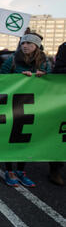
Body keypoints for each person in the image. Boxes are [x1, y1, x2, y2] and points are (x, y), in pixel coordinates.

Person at [0, 33, 51, 187]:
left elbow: (52, 82)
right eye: (23, 43)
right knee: (11, 138)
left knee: (26, 139)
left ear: (37, 46)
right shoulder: (12, 60)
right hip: (13, 106)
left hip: (34, 106)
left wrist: (44, 76)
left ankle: (21, 171)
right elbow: (1, 80)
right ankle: (9, 170)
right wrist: (19, 79)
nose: (25, 46)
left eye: (29, 43)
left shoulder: (44, 62)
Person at [48, 42, 65, 186]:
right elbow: (58, 70)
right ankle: (55, 169)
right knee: (61, 134)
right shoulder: (64, 47)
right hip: (62, 97)